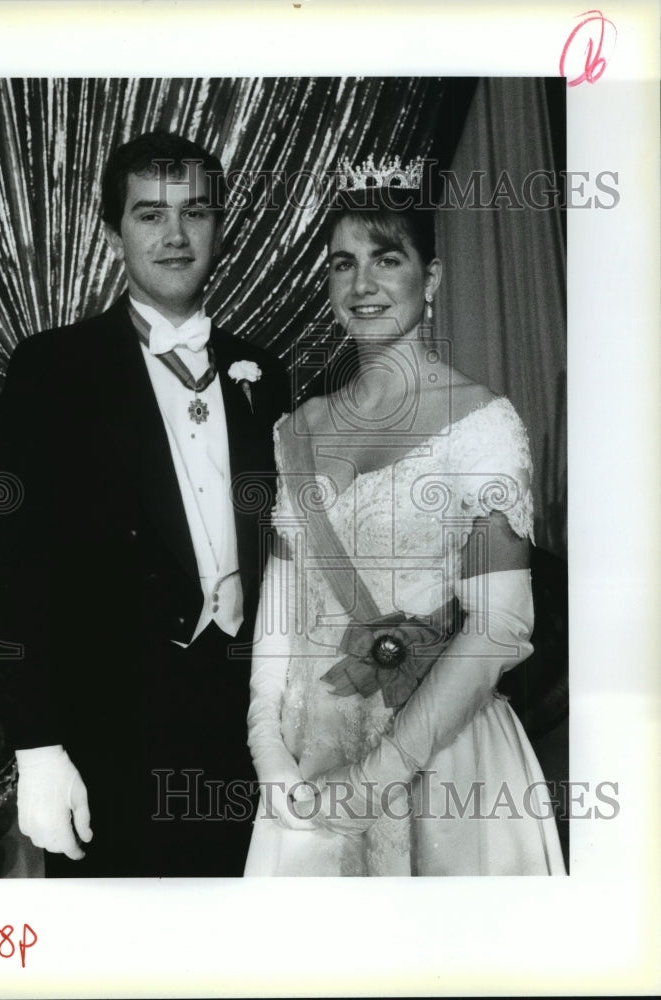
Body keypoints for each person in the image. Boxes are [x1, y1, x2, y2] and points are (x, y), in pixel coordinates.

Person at [245, 158, 566, 876]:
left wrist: (377, 779)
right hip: (312, 755)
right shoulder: (298, 428)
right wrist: (266, 741)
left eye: (386, 259)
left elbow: (498, 627)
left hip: (443, 761)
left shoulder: (481, 422)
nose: (362, 284)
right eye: (342, 264)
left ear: (433, 278)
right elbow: (282, 605)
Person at [0, 131, 290, 877]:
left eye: (195, 212)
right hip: (107, 735)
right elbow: (17, 568)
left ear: (221, 226)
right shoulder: (52, 368)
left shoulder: (266, 373)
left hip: (243, 729)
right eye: (150, 214)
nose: (176, 235)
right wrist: (37, 748)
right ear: (113, 227)